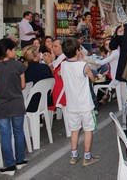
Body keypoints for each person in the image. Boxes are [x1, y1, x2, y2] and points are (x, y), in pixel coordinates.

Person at [0, 38, 27, 175]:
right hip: (17, 103)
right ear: (7, 51)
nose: (15, 52)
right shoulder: (18, 66)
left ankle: (10, 166)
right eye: (13, 50)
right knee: (18, 131)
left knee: (5, 135)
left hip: (1, 106)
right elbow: (23, 85)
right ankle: (20, 160)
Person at [60, 37, 99, 166]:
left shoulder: (63, 65)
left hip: (71, 105)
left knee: (74, 130)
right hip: (85, 105)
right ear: (78, 50)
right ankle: (87, 156)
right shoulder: (84, 66)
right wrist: (82, 59)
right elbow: (93, 79)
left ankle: (73, 155)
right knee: (88, 129)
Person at [22, 45, 54, 112]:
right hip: (45, 101)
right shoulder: (44, 68)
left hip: (28, 103)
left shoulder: (23, 71)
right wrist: (49, 63)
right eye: (38, 53)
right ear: (35, 57)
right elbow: (53, 79)